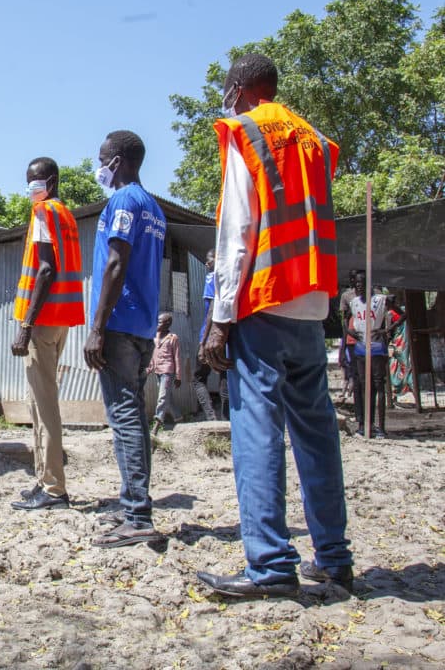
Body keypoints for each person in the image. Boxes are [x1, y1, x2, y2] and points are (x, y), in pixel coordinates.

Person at [197, 53, 352, 599]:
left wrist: (220, 317)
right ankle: (333, 558)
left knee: (257, 431)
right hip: (310, 303)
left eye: (224, 86)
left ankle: (269, 565)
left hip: (264, 301)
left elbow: (238, 230)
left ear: (240, 86)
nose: (224, 97)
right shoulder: (311, 136)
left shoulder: (246, 132)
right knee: (316, 433)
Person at [83, 130, 166, 548]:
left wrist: (96, 326)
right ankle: (132, 504)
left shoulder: (123, 202)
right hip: (143, 327)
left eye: (101, 158)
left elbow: (116, 263)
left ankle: (137, 514)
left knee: (125, 418)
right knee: (135, 416)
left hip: (119, 325)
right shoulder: (154, 207)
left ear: (117, 160)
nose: (98, 165)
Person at [9, 158, 85, 511]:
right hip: (61, 319)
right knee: (38, 404)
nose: (30, 187)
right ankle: (43, 481)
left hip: (42, 321)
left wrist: (26, 326)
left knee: (45, 406)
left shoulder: (43, 213)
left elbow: (46, 269)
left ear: (50, 182)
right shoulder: (66, 215)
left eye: (34, 180)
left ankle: (54, 489)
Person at [348, 271, 392, 438]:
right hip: (360, 347)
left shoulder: (380, 299)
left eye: (362, 282)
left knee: (379, 385)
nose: (359, 285)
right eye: (357, 283)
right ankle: (367, 426)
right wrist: (351, 333)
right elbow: (345, 322)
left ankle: (381, 428)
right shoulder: (354, 302)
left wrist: (385, 330)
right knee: (365, 387)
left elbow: (402, 315)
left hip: (376, 347)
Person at [192, 250, 220, 421]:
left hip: (210, 334)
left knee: (198, 377)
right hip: (228, 334)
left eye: (210, 260)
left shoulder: (212, 277)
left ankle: (211, 417)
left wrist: (203, 342)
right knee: (225, 375)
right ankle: (228, 418)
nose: (207, 264)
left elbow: (212, 309)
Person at [149, 312, 183, 435]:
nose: (157, 324)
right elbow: (154, 356)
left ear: (167, 323)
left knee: (162, 397)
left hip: (168, 371)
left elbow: (177, 357)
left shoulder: (173, 338)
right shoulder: (155, 337)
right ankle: (179, 418)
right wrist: (150, 368)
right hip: (158, 370)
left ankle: (157, 424)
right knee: (168, 397)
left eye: (160, 322)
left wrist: (179, 376)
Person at [338, 271, 360, 403]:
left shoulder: (373, 293)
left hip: (369, 337)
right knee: (353, 372)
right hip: (352, 338)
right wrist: (345, 343)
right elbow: (344, 320)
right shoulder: (347, 296)